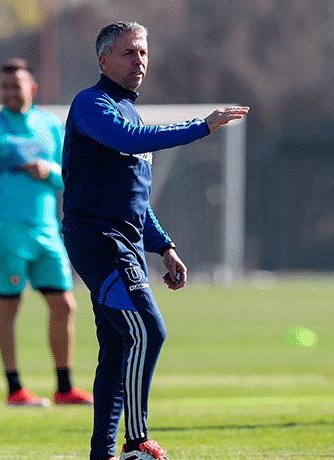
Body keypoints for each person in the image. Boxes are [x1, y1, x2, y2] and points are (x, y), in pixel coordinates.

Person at [61, 21, 248, 460]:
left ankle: (104, 453)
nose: (139, 61)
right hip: (98, 240)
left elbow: (136, 200)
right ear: (104, 60)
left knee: (118, 346)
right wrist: (201, 126)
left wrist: (165, 246)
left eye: (143, 52)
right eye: (128, 53)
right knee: (149, 330)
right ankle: (136, 440)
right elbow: (128, 141)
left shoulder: (132, 113)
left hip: (123, 242)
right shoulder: (92, 104)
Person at [0, 58, 94, 407]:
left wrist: (49, 171)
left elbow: (70, 177)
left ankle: (65, 388)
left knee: (65, 305)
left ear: (32, 88)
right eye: (5, 87)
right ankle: (15, 389)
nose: (11, 93)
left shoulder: (50, 125)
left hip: (48, 232)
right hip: (9, 234)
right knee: (10, 306)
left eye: (17, 86)